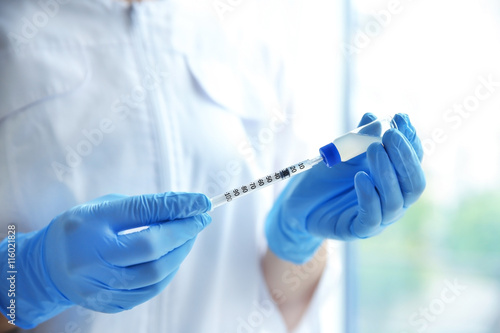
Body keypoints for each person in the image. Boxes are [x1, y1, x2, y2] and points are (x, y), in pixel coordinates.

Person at [0, 0, 426, 332]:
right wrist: (28, 278)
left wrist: (296, 241)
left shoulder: (246, 40)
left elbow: (284, 308)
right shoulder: (14, 31)